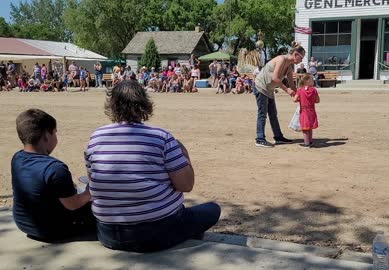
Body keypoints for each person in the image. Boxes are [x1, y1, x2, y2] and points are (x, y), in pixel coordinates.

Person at [84, 80, 220, 252]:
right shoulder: (161, 137)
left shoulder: (96, 137)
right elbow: (186, 185)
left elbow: (93, 178)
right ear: (144, 104)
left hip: (108, 232)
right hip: (155, 232)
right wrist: (184, 154)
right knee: (212, 210)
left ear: (112, 105)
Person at [11, 109, 95, 242]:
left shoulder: (17, 158)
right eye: (55, 133)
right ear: (46, 136)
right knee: (98, 204)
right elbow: (73, 204)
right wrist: (90, 191)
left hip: (24, 225)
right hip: (53, 230)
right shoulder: (55, 168)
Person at [253, 41, 305, 148]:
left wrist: (300, 95)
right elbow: (275, 78)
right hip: (261, 86)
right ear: (295, 54)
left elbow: (292, 84)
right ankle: (259, 139)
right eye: (301, 57)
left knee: (273, 114)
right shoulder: (281, 59)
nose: (301, 61)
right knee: (262, 113)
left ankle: (278, 137)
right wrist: (287, 90)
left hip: (269, 89)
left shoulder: (289, 68)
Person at [293, 74, 319, 148]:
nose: (313, 80)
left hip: (304, 111)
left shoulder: (300, 90)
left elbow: (294, 100)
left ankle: (306, 143)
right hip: (311, 110)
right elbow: (317, 100)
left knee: (305, 128)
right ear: (308, 81)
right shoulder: (314, 90)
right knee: (310, 127)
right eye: (312, 79)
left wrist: (300, 99)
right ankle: (310, 141)